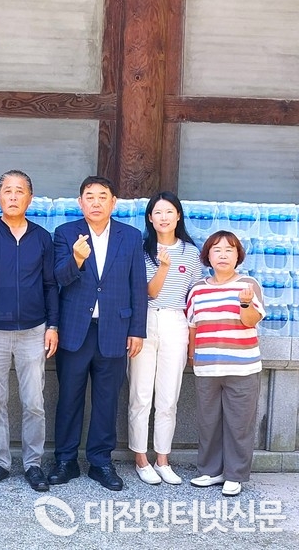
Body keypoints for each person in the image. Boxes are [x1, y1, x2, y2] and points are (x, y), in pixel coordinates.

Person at [48, 175, 147, 492]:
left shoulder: (130, 237)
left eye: (102, 196)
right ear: (80, 202)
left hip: (115, 329)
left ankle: (101, 462)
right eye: (89, 196)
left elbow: (137, 286)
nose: (95, 202)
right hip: (75, 330)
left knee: (107, 400)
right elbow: (59, 278)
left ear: (113, 202)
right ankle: (65, 460)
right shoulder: (65, 233)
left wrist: (137, 330)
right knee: (69, 398)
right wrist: (77, 258)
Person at [0, 170, 58, 491]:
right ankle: (0, 462)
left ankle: (33, 464)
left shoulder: (42, 237)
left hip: (33, 329)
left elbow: (50, 285)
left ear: (30, 198)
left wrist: (53, 325)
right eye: (8, 191)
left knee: (34, 402)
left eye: (20, 191)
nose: (14, 196)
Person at [128, 192, 202, 485]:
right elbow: (147, 292)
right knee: (140, 393)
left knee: (169, 396)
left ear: (178, 215)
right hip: (145, 319)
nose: (163, 217)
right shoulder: (140, 248)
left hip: (175, 320)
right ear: (149, 218)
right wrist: (163, 268)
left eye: (169, 211)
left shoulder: (191, 252)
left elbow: (195, 296)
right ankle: (141, 458)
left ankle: (162, 459)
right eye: (157, 212)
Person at [186, 230, 264, 497]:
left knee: (239, 423)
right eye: (216, 250)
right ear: (207, 256)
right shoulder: (197, 289)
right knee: (208, 422)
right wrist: (192, 356)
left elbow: (251, 321)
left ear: (238, 256)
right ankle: (210, 471)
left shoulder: (248, 284)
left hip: (242, 367)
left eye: (229, 250)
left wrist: (245, 304)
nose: (223, 255)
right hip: (207, 367)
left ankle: (234, 475)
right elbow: (193, 327)